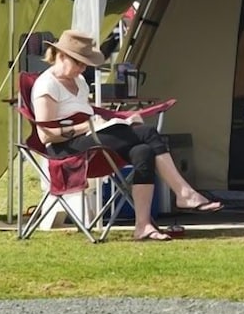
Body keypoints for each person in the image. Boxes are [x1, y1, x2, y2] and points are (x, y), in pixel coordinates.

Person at [32, 29, 222, 242]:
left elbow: (90, 114)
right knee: (148, 132)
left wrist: (117, 120)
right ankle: (184, 193)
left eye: (85, 64)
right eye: (79, 63)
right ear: (61, 56)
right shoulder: (46, 85)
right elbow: (46, 136)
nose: (83, 69)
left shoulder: (80, 82)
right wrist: (86, 127)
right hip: (66, 151)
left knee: (144, 151)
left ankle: (143, 225)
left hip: (91, 143)